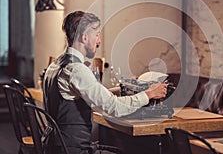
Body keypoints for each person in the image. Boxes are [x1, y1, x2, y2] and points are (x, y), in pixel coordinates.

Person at [43, 11, 167, 154]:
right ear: (84, 37)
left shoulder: (57, 64)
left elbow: (87, 94)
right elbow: (114, 107)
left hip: (56, 146)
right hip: (72, 150)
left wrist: (120, 89)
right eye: (96, 35)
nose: (99, 41)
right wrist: (149, 94)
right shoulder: (76, 69)